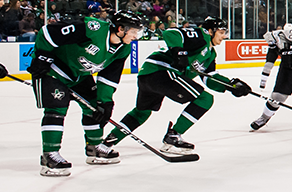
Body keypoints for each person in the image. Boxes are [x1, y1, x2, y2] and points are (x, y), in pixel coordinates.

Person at [99, 17, 250, 156]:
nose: (225, 36)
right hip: (162, 70)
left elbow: (209, 78)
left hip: (150, 74)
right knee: (204, 99)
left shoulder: (210, 54)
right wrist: (179, 51)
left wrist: (230, 85)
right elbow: (171, 32)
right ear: (210, 31)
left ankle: (107, 144)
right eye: (222, 32)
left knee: (141, 112)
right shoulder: (201, 36)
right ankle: (173, 136)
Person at [26, 10, 146, 177]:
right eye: (134, 31)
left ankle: (94, 147)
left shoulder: (123, 49)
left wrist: (105, 101)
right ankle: (49, 156)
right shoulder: (92, 29)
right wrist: (42, 56)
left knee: (95, 106)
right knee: (57, 109)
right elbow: (49, 32)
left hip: (79, 75)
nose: (136, 36)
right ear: (120, 29)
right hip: (53, 70)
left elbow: (109, 77)